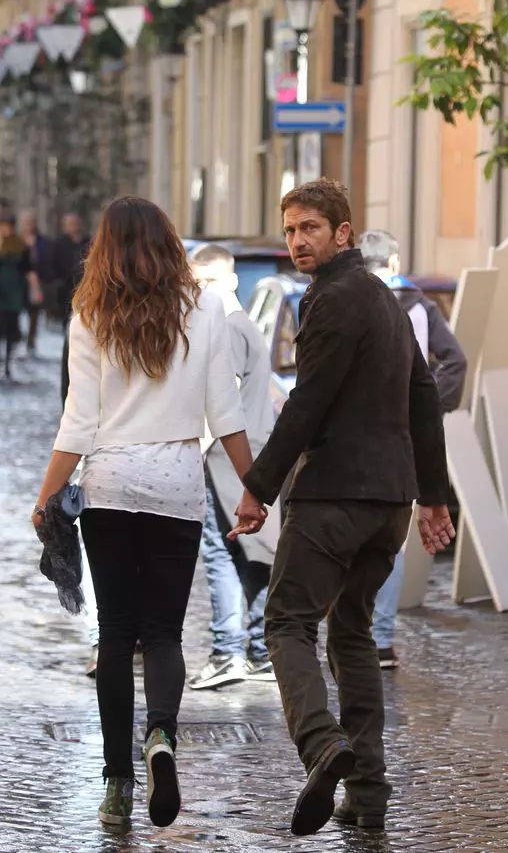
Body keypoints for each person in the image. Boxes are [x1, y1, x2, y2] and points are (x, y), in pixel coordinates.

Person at [229, 179, 454, 836]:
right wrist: (431, 495)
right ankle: (370, 794)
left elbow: (309, 403)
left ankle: (322, 745)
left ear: (343, 233)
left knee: (285, 623)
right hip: (389, 504)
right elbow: (423, 398)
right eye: (291, 230)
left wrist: (258, 486)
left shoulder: (328, 299)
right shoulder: (388, 301)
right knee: (352, 632)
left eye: (310, 229)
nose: (298, 241)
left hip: (334, 496)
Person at [32, 196, 265, 829]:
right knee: (163, 632)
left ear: (104, 247)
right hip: (176, 487)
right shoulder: (208, 307)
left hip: (109, 482)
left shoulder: (91, 313)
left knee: (117, 635)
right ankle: (160, 736)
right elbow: (228, 412)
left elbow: (77, 423)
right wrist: (254, 489)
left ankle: (116, 783)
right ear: (169, 243)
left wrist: (47, 493)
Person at [359, 228, 467, 668]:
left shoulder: (344, 300)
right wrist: (428, 408)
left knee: (349, 531)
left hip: (355, 435)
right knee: (392, 539)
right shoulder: (419, 306)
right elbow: (455, 361)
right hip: (403, 434)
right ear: (395, 263)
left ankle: (352, 629)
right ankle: (381, 639)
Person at [188, 244, 277, 689]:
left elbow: (220, 404)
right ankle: (260, 650)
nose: (199, 290)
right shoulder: (243, 325)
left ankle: (228, 651)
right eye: (195, 282)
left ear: (230, 280)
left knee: (222, 552)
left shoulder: (227, 329)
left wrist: (196, 448)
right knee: (251, 553)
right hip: (248, 451)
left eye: (207, 281)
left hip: (226, 456)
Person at [0, 213, 41, 379]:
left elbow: (29, 269)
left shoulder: (20, 244)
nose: (3, 228)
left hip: (15, 290)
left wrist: (35, 289)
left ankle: (8, 360)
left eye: (6, 225)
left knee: (11, 326)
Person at [18, 209, 55, 352]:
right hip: (20, 280)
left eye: (31, 222)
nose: (28, 225)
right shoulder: (16, 240)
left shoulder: (43, 241)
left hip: (38, 281)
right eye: (26, 222)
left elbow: (47, 260)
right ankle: (17, 335)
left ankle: (30, 339)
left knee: (34, 310)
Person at [53, 212, 89, 328]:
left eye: (74, 223)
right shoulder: (59, 244)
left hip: (85, 287)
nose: (72, 226)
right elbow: (54, 264)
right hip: (65, 288)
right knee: (67, 320)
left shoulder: (88, 242)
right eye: (69, 224)